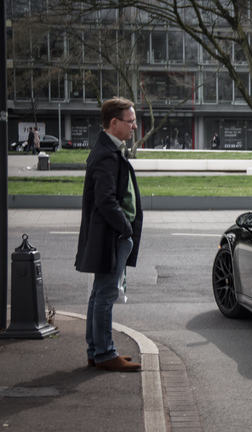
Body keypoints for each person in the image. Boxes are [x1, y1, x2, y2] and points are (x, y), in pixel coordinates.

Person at [75, 97, 144, 372]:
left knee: (99, 293)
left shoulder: (108, 148)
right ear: (114, 123)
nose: (134, 127)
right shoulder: (106, 153)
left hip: (109, 234)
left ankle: (96, 350)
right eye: (130, 121)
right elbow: (105, 199)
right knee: (105, 294)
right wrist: (124, 228)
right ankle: (104, 353)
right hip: (111, 235)